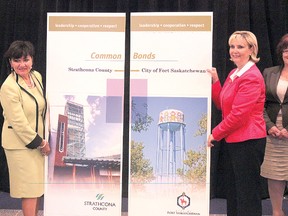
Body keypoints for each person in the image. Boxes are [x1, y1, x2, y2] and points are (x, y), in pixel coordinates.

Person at [207, 31, 267, 216]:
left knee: (247, 195)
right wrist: (216, 80)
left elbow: (238, 115)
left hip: (248, 143)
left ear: (252, 49)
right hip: (234, 141)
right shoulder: (235, 73)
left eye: (240, 47)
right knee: (233, 193)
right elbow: (223, 104)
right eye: (232, 46)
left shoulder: (251, 77)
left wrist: (215, 134)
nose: (234, 51)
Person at [0, 40, 50, 216]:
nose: (22, 64)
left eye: (25, 59)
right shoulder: (8, 87)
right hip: (20, 144)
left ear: (32, 60)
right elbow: (19, 123)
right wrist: (41, 143)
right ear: (10, 62)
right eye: (16, 60)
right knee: (29, 189)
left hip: (37, 142)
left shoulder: (37, 76)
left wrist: (43, 140)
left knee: (35, 188)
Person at [260, 33, 288, 216]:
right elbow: (258, 103)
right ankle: (277, 212)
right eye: (286, 49)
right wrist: (270, 126)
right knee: (275, 172)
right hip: (273, 132)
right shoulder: (269, 72)